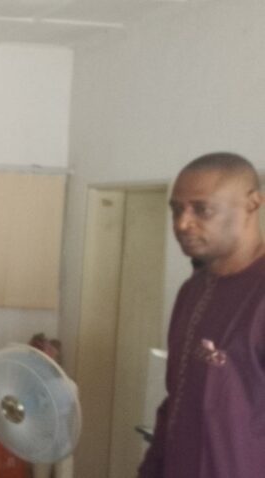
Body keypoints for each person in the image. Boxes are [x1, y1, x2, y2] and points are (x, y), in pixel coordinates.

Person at [139, 152, 265, 477]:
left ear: (253, 203)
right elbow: (176, 399)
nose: (182, 224)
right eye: (176, 209)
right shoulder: (192, 291)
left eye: (201, 209)